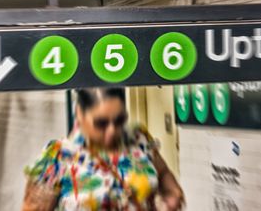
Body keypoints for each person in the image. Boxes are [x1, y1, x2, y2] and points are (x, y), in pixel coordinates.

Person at [22, 87, 184, 211]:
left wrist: (171, 192)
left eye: (119, 120)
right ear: (80, 114)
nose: (112, 131)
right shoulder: (57, 157)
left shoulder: (139, 139)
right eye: (101, 123)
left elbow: (162, 172)